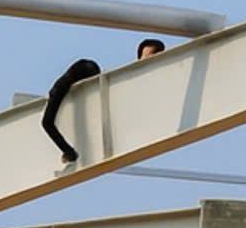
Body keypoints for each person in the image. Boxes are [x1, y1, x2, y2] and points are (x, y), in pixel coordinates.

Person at [39, 40, 172, 164]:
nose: (146, 62)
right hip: (81, 75)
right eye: (145, 58)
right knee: (47, 122)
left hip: (81, 74)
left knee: (47, 123)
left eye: (150, 57)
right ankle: (69, 153)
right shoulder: (64, 88)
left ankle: (70, 153)